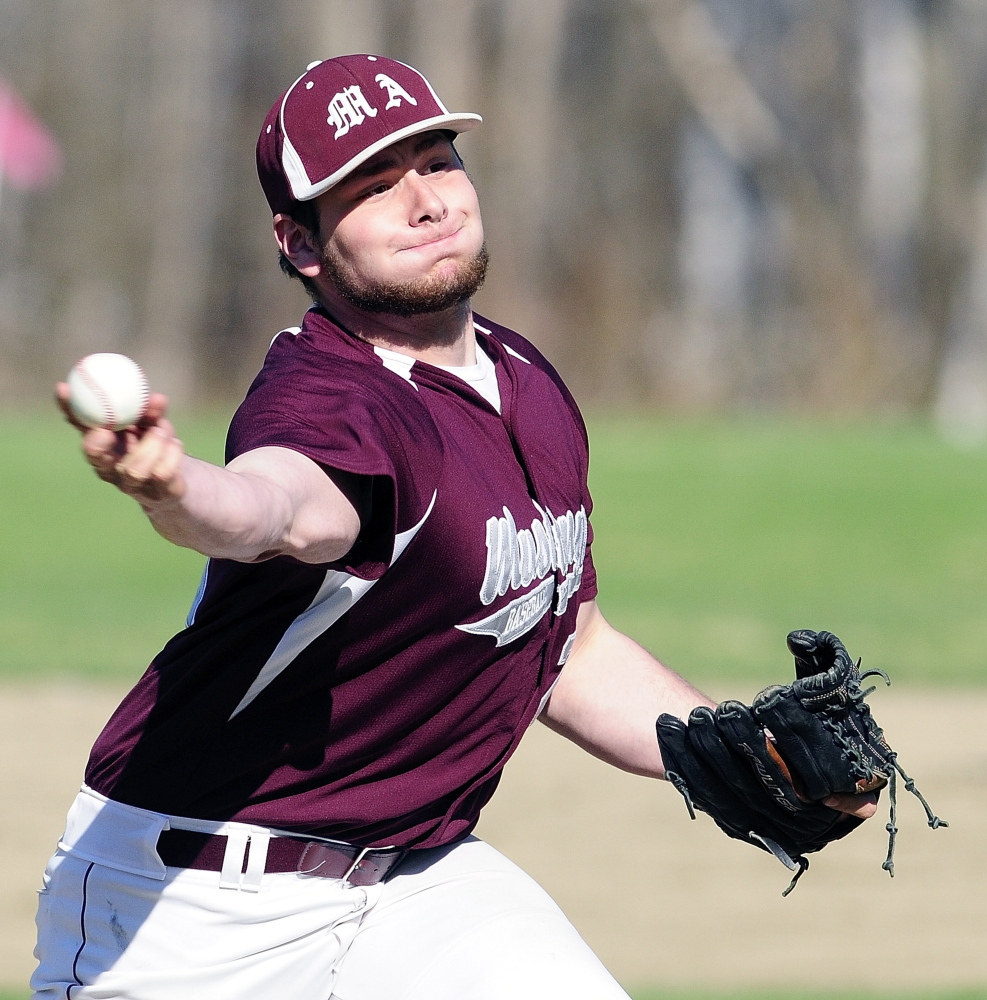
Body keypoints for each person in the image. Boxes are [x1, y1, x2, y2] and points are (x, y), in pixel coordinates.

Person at [35, 54, 875, 1000]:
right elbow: (269, 506)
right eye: (375, 186)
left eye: (438, 161)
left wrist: (724, 741)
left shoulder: (526, 381)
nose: (428, 200)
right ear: (300, 243)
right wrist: (174, 486)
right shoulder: (331, 405)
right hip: (191, 910)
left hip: (419, 884)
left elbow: (568, 642)